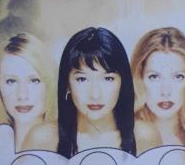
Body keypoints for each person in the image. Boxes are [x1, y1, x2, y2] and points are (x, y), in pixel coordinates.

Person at [130, 27, 185, 152]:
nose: (166, 92)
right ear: (139, 79)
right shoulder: (130, 137)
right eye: (154, 77)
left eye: (177, 77)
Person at [57, 27, 136, 157]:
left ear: (123, 82)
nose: (95, 95)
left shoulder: (143, 136)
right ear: (67, 84)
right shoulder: (45, 139)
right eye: (82, 79)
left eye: (108, 78)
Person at [0, 33, 57, 152]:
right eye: (11, 81)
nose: (22, 95)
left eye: (34, 80)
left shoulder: (70, 152)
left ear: (50, 85)